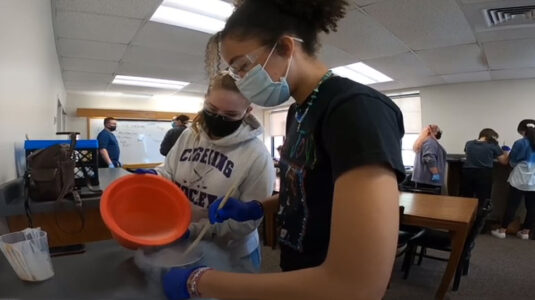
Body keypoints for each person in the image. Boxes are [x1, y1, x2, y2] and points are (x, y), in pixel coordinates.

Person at [162, 0, 406, 299]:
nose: (240, 79)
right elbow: (310, 190)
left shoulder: (355, 109)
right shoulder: (299, 111)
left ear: (286, 48)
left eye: (242, 66)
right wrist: (259, 207)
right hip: (298, 271)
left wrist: (199, 281)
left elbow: (357, 285)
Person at [155, 72, 275, 272]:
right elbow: (169, 172)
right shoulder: (188, 136)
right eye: (211, 109)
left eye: (230, 115)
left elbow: (245, 223)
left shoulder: (257, 155)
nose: (218, 118)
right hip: (182, 245)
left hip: (231, 255)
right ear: (205, 100)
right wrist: (155, 179)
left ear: (247, 111)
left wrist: (191, 231)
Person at [491, 119, 535, 240]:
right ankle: (525, 232)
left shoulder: (520, 143)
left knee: (512, 205)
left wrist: (507, 152)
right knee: (532, 208)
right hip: (534, 181)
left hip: (519, 179)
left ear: (522, 131)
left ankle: (502, 230)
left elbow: (511, 162)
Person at [461, 128, 509, 209]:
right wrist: (505, 151)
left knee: (467, 197)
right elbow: (504, 161)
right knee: (483, 199)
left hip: (467, 173)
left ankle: (466, 218)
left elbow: (468, 156)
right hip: (483, 174)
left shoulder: (468, 143)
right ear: (490, 136)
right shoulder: (493, 145)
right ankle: (479, 219)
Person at [411, 124, 446, 193]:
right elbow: (429, 158)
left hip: (423, 180)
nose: (440, 132)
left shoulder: (424, 141)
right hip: (429, 181)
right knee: (431, 202)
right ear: (434, 132)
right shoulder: (430, 142)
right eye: (439, 130)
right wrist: (436, 174)